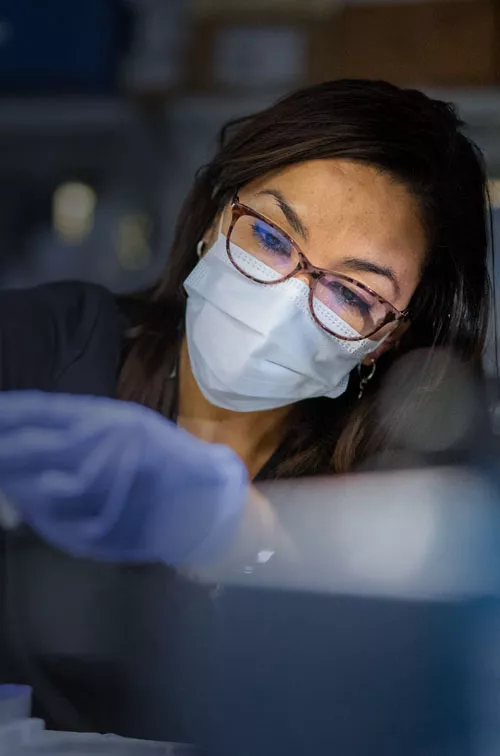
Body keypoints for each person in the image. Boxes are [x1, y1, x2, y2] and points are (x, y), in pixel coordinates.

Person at [0, 79, 491, 740]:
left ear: (388, 338)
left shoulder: (401, 496)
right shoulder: (45, 343)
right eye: (269, 235)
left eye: (350, 292)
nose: (283, 298)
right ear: (212, 217)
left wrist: (248, 538)